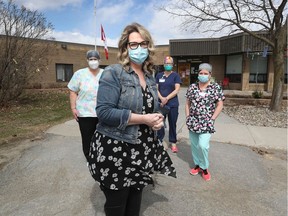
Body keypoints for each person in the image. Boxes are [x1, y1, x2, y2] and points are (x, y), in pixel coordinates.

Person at [87, 23, 176, 216]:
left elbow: (150, 106)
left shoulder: (150, 76)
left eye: (143, 44)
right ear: (125, 48)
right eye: (133, 44)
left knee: (134, 206)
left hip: (142, 149)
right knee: (117, 206)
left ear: (149, 46)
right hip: (117, 149)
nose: (139, 48)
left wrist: (157, 118)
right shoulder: (113, 72)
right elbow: (104, 112)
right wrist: (144, 118)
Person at [185, 63, 225, 181]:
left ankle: (205, 167)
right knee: (194, 145)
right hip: (193, 121)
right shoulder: (192, 87)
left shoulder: (215, 88)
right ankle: (197, 165)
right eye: (201, 73)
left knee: (203, 146)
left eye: (205, 73)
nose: (202, 75)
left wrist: (212, 119)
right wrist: (187, 117)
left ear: (210, 74)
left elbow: (220, 105)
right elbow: (188, 103)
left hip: (207, 122)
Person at [67, 50, 104, 161]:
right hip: (85, 113)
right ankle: (90, 158)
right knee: (87, 137)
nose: (93, 61)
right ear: (87, 60)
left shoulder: (105, 73)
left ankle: (101, 158)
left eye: (95, 59)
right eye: (91, 59)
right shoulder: (79, 74)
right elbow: (73, 91)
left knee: (102, 137)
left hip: (102, 112)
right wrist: (73, 108)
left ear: (99, 60)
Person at [155, 56, 182, 153]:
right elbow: (156, 88)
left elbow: (177, 89)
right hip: (161, 104)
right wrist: (162, 98)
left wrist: (166, 98)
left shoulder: (176, 75)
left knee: (172, 123)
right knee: (160, 123)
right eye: (166, 63)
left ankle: (173, 142)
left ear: (172, 65)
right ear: (163, 64)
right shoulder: (159, 75)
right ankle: (160, 141)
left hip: (173, 104)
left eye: (170, 64)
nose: (168, 65)